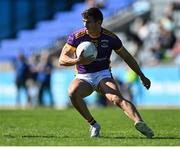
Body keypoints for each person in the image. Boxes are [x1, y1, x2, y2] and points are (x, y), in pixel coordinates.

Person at [59, 7, 154, 138]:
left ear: (98, 23)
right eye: (83, 21)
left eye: (88, 21)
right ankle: (93, 124)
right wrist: (78, 60)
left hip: (102, 74)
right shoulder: (76, 37)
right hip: (83, 76)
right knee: (72, 93)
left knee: (116, 98)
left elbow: (127, 57)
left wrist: (142, 76)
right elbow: (62, 59)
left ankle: (140, 122)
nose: (84, 24)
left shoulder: (110, 38)